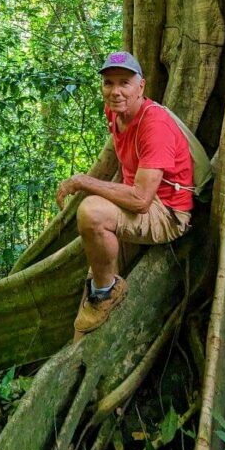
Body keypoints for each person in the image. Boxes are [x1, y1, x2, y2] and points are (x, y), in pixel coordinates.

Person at [56, 51, 194, 340]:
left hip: (166, 211)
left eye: (124, 83)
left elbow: (141, 200)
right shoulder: (115, 112)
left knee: (92, 212)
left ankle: (106, 292)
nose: (115, 91)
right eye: (108, 83)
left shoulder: (154, 125)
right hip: (138, 199)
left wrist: (83, 181)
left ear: (141, 86)